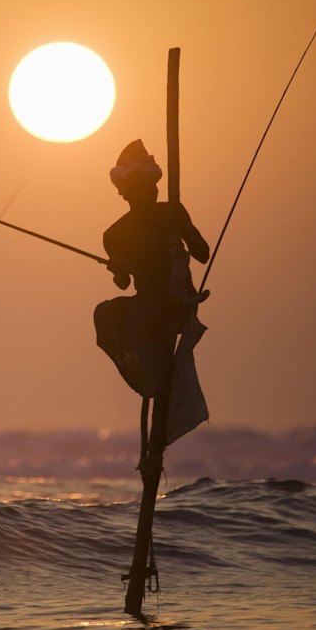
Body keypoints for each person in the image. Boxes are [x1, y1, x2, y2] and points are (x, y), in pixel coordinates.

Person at [94, 139, 210, 451]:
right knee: (106, 313)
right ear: (129, 191)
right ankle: (149, 378)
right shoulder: (114, 234)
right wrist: (118, 268)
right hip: (149, 305)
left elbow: (203, 253)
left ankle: (157, 379)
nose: (153, 192)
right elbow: (122, 283)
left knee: (146, 311)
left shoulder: (172, 211)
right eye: (143, 187)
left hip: (177, 300)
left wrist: (180, 230)